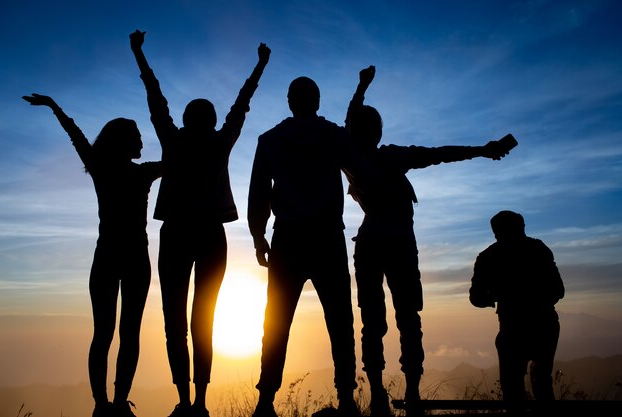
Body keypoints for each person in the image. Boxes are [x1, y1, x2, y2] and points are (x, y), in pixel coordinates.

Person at [343, 66, 517, 417]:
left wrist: (361, 89)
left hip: (374, 244)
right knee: (403, 318)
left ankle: (385, 393)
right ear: (375, 131)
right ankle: (406, 394)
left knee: (377, 319)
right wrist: (483, 150)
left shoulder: (354, 159)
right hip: (395, 245)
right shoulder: (386, 156)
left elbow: (437, 152)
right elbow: (439, 153)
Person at [129, 29, 270, 417]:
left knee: (176, 320)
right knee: (200, 320)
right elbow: (240, 107)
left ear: (189, 119)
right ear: (208, 120)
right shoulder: (219, 142)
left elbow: (155, 100)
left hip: (176, 233)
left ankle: (186, 402)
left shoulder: (174, 142)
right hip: (210, 235)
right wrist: (259, 66)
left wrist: (139, 55)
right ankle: (199, 403)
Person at [22, 94, 162, 417]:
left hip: (109, 259)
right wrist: (55, 106)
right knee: (125, 334)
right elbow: (179, 157)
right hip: (132, 261)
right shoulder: (141, 174)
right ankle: (113, 404)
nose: (142, 139)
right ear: (124, 141)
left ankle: (105, 405)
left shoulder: (108, 169)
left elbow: (77, 136)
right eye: (137, 134)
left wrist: (55, 106)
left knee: (107, 333)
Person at [248, 75, 372, 417]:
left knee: (275, 321)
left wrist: (258, 236)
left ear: (290, 101)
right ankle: (346, 398)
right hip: (327, 237)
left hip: (287, 238)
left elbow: (258, 193)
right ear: (317, 101)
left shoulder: (270, 139)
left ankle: (265, 401)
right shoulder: (334, 135)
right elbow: (361, 170)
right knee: (339, 321)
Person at [469, 210, 565, 409]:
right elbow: (558, 290)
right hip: (544, 324)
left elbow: (476, 298)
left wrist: (498, 296)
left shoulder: (488, 257)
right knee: (541, 381)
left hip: (512, 328)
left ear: (496, 232)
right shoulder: (538, 249)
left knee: (513, 388)